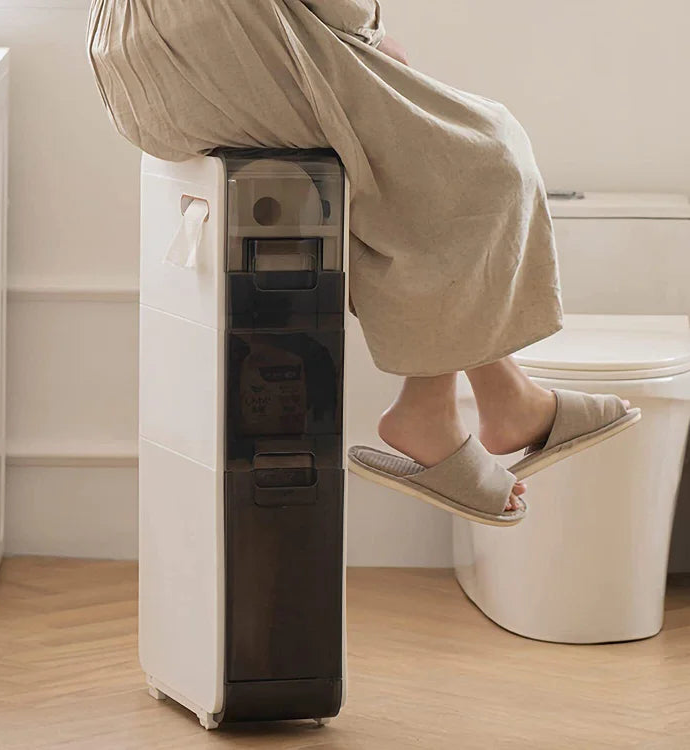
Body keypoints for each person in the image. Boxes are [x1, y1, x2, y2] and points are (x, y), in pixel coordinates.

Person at [87, 0, 640, 525]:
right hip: (222, 43)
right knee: (485, 155)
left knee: (386, 185)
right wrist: (365, 36)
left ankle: (503, 399)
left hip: (135, 61)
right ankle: (436, 412)